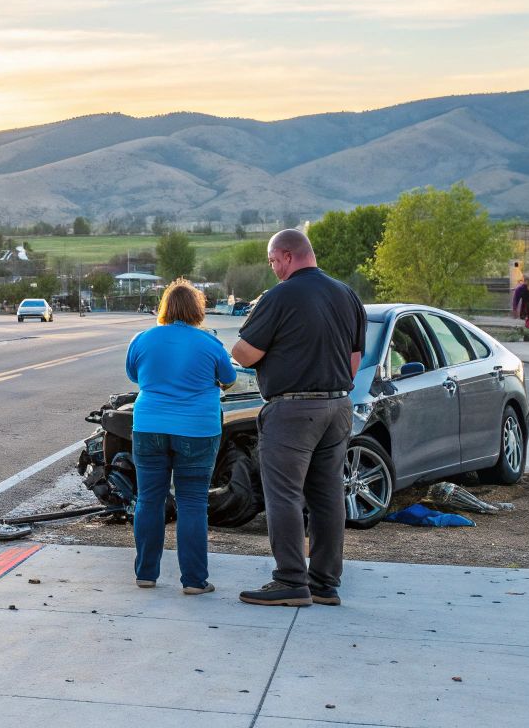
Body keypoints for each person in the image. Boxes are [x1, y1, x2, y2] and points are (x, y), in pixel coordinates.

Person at [230, 229, 365, 608]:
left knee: (284, 494)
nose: (273, 268)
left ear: (286, 256)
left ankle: (290, 579)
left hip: (292, 410)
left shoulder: (280, 296)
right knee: (327, 496)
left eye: (273, 261)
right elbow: (355, 362)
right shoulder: (347, 294)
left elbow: (245, 353)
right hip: (338, 406)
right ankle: (325, 582)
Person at [125, 279, 235, 594]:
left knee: (149, 499)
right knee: (192, 502)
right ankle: (194, 581)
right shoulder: (210, 344)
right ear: (197, 310)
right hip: (197, 430)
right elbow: (228, 379)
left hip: (149, 426)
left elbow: (135, 375)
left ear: (165, 308)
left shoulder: (142, 339)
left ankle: (146, 573)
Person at [513, 277, 529, 342]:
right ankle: (525, 334)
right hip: (528, 307)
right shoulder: (521, 289)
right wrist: (515, 309)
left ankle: (526, 334)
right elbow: (516, 299)